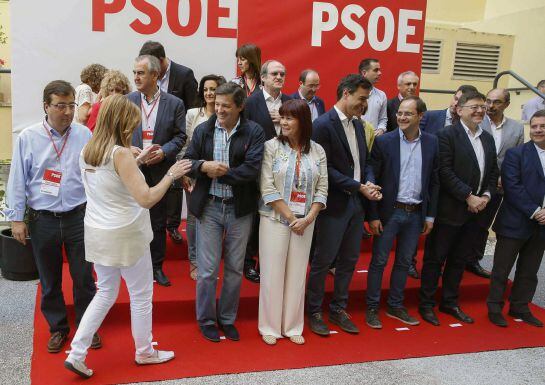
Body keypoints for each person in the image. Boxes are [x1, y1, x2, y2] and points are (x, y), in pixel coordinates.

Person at [64, 95, 192, 379]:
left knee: (106, 292)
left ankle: (76, 352)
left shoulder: (87, 150)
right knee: (141, 294)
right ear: (122, 121)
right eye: (131, 123)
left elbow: (112, 182)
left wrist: (139, 160)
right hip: (127, 235)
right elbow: (146, 198)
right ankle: (145, 352)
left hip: (98, 233)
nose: (133, 127)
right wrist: (170, 174)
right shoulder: (120, 154)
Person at [5, 80, 99, 353]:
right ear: (46, 107)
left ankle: (87, 327)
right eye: (60, 106)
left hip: (78, 217)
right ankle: (58, 328)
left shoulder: (84, 134)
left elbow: (94, 174)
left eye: (71, 105)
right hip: (42, 218)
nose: (67, 111)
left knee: (84, 277)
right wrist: (17, 219)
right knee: (49, 278)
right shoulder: (29, 137)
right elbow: (18, 179)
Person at [184, 82, 265, 342]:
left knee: (233, 270)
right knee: (207, 271)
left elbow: (253, 169)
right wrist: (203, 166)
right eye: (216, 104)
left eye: (225, 106)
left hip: (240, 210)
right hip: (208, 208)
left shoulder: (254, 132)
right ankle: (206, 320)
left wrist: (225, 173)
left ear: (240, 107)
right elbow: (188, 161)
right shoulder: (203, 130)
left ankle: (227, 319)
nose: (218, 109)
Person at [307, 74, 382, 336]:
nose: (364, 104)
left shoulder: (360, 126)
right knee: (323, 260)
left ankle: (338, 309)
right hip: (333, 205)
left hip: (357, 204)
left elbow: (366, 162)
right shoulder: (322, 125)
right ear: (346, 93)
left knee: (349, 261)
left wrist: (368, 183)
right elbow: (322, 168)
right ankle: (314, 311)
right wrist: (357, 185)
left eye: (367, 100)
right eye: (361, 99)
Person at [419, 90, 499, 326]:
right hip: (450, 211)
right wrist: (468, 196)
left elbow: (493, 171)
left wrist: (485, 195)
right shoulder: (446, 135)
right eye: (474, 106)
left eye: (482, 107)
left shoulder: (487, 138)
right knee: (436, 259)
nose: (479, 111)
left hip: (477, 213)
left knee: (459, 259)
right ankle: (426, 304)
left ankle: (450, 302)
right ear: (459, 109)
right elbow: (444, 171)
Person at [258, 99, 328, 346]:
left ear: (303, 121)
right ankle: (269, 325)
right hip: (276, 219)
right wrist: (291, 217)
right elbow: (266, 187)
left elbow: (322, 188)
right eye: (282, 117)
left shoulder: (317, 150)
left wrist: (309, 218)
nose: (284, 122)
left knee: (298, 274)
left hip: (305, 222)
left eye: (290, 118)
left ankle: (292, 325)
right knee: (272, 273)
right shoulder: (270, 147)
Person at [366, 96, 439, 329]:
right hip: (390, 212)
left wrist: (430, 215)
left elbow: (434, 182)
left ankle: (395, 305)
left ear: (420, 116)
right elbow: (372, 176)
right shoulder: (384, 142)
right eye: (399, 113)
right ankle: (372, 307)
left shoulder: (432, 143)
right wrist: (374, 215)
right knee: (378, 261)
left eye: (408, 113)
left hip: (416, 213)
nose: (402, 117)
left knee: (404, 262)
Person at [128, 55, 187, 287]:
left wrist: (164, 152)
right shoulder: (127, 100)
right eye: (134, 72)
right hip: (133, 168)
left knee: (158, 222)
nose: (136, 77)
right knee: (132, 219)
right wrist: (128, 149)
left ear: (155, 75)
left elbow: (180, 136)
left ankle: (156, 266)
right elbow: (118, 133)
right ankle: (133, 266)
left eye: (141, 73)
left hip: (160, 168)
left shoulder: (175, 103)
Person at [487, 109, 545, 328]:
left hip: (541, 227)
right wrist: (536, 211)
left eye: (542, 126)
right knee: (502, 270)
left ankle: (520, 307)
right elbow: (512, 186)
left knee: (529, 271)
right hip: (515, 222)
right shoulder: (516, 154)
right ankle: (494, 308)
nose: (538, 130)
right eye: (535, 126)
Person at [139, 41, 198, 245]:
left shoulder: (184, 75)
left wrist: (166, 150)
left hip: (169, 149)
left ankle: (172, 226)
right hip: (140, 159)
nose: (140, 75)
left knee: (171, 192)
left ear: (161, 62)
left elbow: (192, 110)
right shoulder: (131, 99)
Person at [463, 88, 524, 279]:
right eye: (488, 101)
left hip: (497, 186)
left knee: (483, 225)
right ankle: (454, 258)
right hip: (471, 184)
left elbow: (517, 157)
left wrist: (505, 178)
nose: (490, 106)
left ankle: (473, 260)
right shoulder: (477, 122)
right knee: (462, 224)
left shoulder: (517, 128)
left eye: (496, 102)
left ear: (506, 104)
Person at [243, 60, 292, 283]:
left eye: (282, 74)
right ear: (262, 78)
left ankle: (271, 261)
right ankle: (248, 262)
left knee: (277, 217)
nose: (279, 77)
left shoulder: (291, 101)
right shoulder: (251, 102)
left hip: (286, 168)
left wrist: (283, 121)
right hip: (258, 168)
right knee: (254, 217)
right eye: (274, 73)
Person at [181, 74, 226, 280]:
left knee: (213, 217)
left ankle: (208, 262)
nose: (209, 93)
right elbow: (185, 144)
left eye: (213, 89)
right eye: (206, 89)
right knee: (193, 216)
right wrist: (185, 171)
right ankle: (194, 261)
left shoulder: (225, 113)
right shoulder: (192, 114)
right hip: (196, 172)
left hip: (219, 175)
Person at [139, 40, 198, 110]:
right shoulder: (147, 74)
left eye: (150, 65)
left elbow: (193, 109)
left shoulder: (184, 75)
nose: (148, 69)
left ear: (160, 60)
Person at [359, 58, 387, 136]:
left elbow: (383, 119)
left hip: (374, 140)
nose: (380, 73)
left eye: (379, 70)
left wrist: (381, 129)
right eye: (376, 70)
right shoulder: (351, 93)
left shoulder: (382, 95)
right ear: (364, 73)